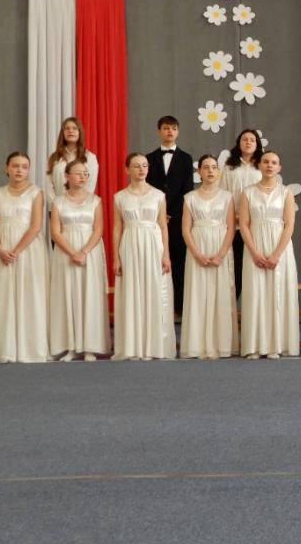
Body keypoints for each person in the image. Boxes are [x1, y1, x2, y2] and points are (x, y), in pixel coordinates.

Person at [112, 153, 176, 360]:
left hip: (153, 245)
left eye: (144, 166)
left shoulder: (158, 195)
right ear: (127, 169)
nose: (141, 169)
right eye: (136, 166)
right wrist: (116, 257)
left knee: (154, 290)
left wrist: (166, 254)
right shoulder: (119, 197)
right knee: (132, 291)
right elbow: (117, 227)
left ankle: (154, 346)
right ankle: (133, 346)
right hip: (129, 245)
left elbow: (163, 226)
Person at [0, 152, 50, 363]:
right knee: (4, 294)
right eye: (15, 166)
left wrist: (16, 250)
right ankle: (5, 348)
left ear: (28, 170)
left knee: (29, 293)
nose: (19, 170)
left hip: (28, 250)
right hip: (2, 249)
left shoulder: (36, 193)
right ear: (7, 168)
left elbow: (36, 225)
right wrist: (0, 249)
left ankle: (29, 347)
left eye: (24, 166)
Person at [239, 151, 300, 358]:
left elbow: (289, 225)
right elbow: (244, 224)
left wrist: (276, 255)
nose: (269, 165)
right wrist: (254, 252)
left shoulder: (286, 193)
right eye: (266, 162)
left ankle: (276, 345)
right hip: (255, 246)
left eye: (274, 162)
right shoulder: (247, 192)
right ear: (259, 165)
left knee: (278, 292)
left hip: (279, 248)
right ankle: (255, 346)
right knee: (256, 293)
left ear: (279, 167)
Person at [49, 160, 110, 361]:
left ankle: (90, 346)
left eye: (85, 173)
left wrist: (83, 252)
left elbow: (98, 230)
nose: (83, 177)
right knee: (67, 294)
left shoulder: (95, 201)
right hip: (64, 252)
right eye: (78, 173)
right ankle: (70, 347)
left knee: (89, 295)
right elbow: (55, 232)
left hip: (90, 251)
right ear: (67, 176)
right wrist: (72, 252)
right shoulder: (58, 202)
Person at [181, 155, 238, 359]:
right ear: (199, 172)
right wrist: (197, 253)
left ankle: (221, 344)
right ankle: (197, 345)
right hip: (197, 248)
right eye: (206, 167)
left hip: (220, 248)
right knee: (197, 294)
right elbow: (186, 229)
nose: (211, 171)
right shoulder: (190, 197)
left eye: (214, 167)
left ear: (219, 172)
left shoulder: (227, 197)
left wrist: (221, 254)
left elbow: (231, 227)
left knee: (220, 293)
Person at [146, 115, 193, 315]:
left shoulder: (186, 158)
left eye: (173, 128)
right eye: (166, 128)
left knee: (179, 261)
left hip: (177, 220)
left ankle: (179, 306)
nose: (170, 131)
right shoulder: (149, 159)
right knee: (155, 259)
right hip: (154, 220)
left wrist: (172, 214)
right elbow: (146, 189)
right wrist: (159, 214)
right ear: (159, 131)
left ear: (178, 131)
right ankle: (156, 304)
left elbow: (188, 191)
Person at [220, 129, 264, 300]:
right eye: (245, 139)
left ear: (257, 144)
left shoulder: (262, 166)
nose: (248, 142)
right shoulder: (229, 167)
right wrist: (234, 216)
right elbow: (223, 194)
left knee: (255, 266)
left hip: (256, 224)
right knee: (236, 266)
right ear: (239, 143)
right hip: (235, 223)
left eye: (252, 140)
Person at [45, 117, 99, 204]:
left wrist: (79, 205)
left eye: (74, 128)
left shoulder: (90, 158)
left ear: (80, 132)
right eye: (67, 128)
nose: (70, 131)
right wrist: (55, 206)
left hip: (82, 207)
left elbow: (90, 185)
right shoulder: (53, 158)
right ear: (63, 133)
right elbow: (48, 186)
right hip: (57, 207)